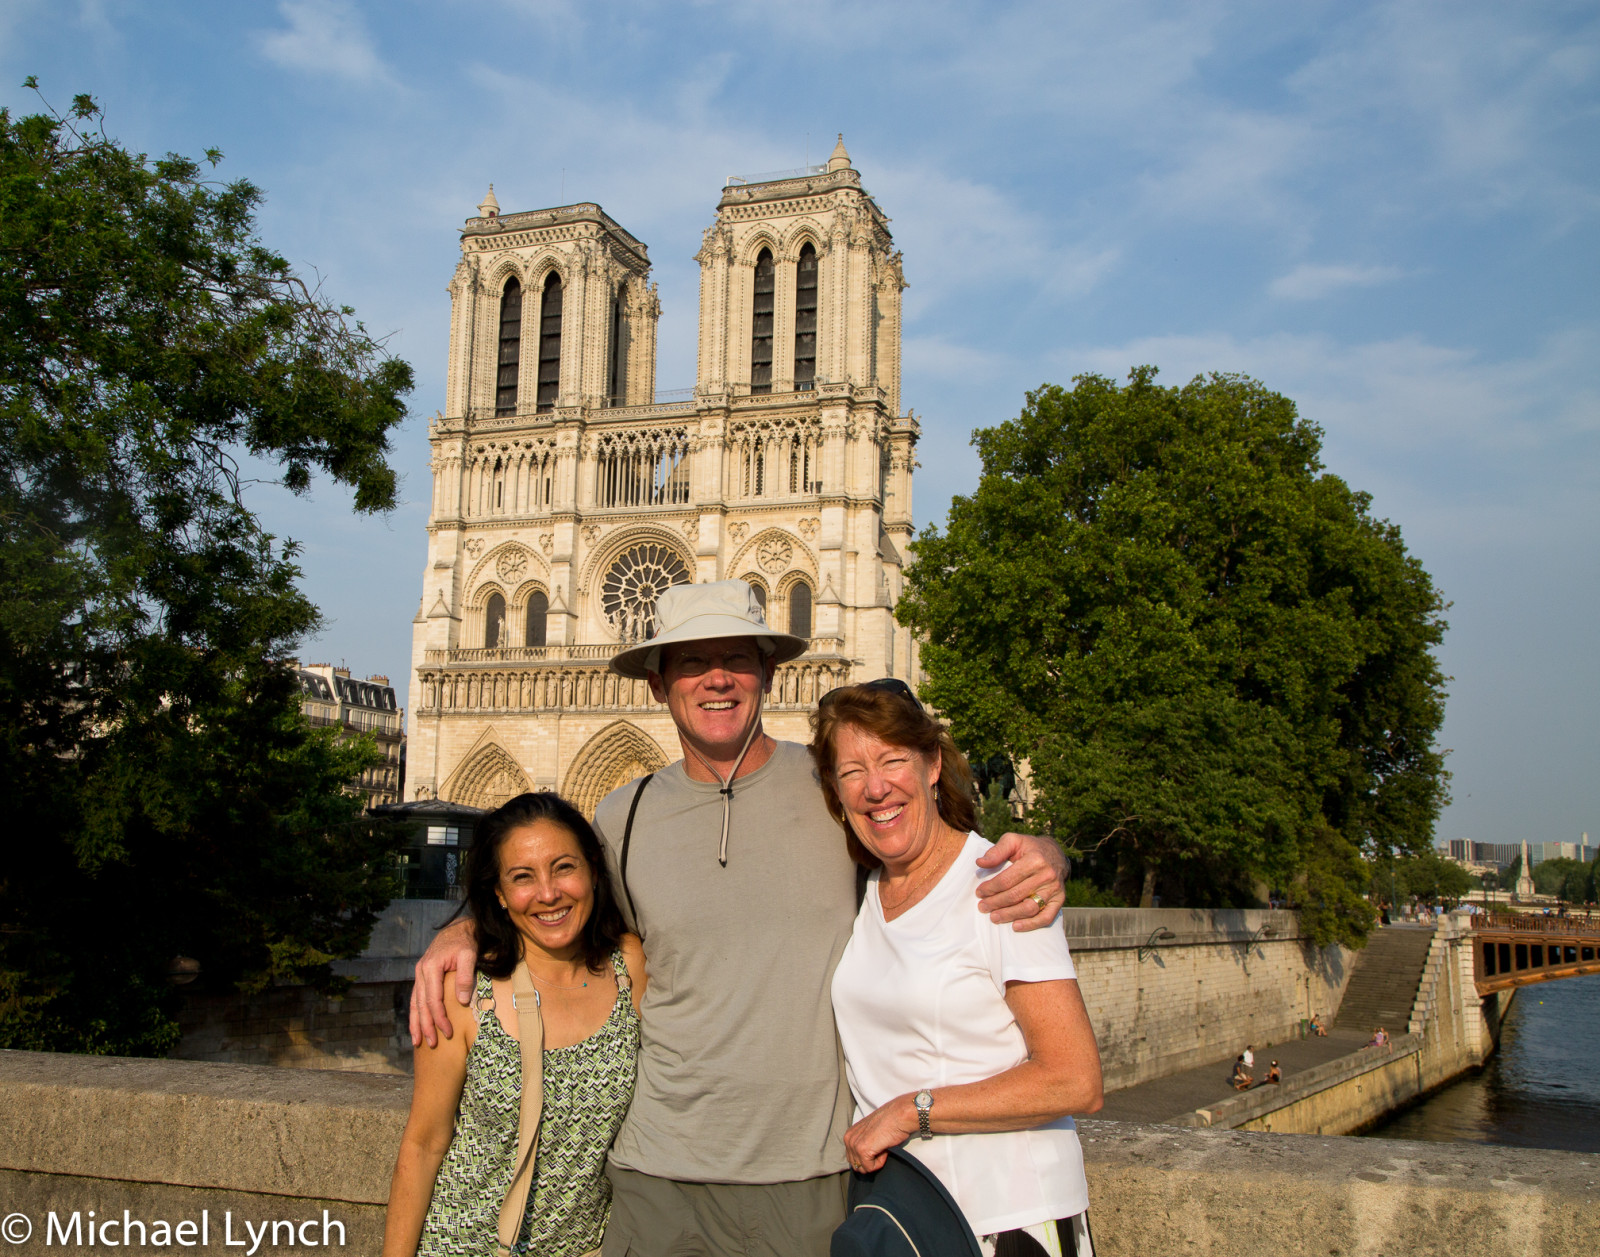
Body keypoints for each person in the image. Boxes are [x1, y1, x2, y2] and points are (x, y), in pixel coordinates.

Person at [408, 582, 1069, 1257]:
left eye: (736, 658)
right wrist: (459, 928)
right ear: (658, 683)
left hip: (808, 1179)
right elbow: (553, 908)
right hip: (655, 1176)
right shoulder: (622, 815)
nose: (717, 678)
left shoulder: (836, 791)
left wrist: (1047, 855)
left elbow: (939, 856)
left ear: (769, 673)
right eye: (692, 661)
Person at [815, 680, 1104, 1256]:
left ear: (932, 765)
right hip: (904, 1214)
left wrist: (908, 1112)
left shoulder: (1001, 883)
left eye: (893, 760)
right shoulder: (868, 888)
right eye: (851, 772)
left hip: (1008, 1218)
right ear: (836, 793)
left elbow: (1075, 1079)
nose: (875, 787)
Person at [383, 793, 645, 1257]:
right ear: (500, 894)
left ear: (593, 870)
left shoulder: (629, 967)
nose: (547, 893)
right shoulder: (465, 993)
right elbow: (423, 1145)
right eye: (522, 877)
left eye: (564, 867)